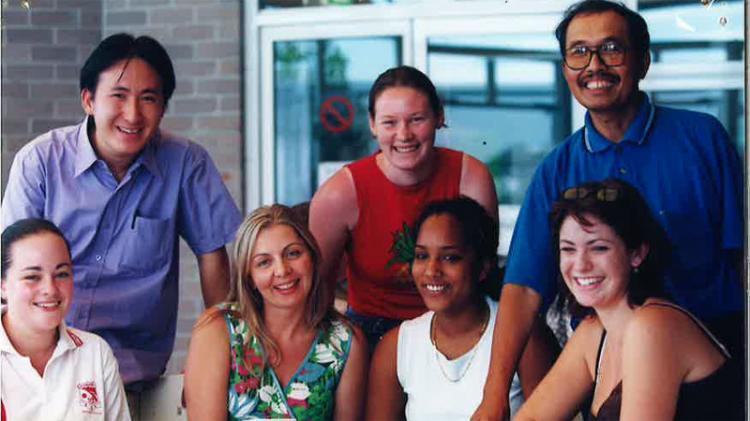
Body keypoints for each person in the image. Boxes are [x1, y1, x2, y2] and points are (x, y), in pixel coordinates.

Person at [474, 1, 744, 418]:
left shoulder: (701, 138)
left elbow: (742, 255)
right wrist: (493, 398)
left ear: (643, 61)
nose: (594, 65)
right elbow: (524, 287)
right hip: (611, 346)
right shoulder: (556, 168)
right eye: (579, 52)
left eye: (612, 49)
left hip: (708, 355)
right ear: (564, 68)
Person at [0, 33, 242, 391]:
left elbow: (213, 257)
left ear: (163, 107)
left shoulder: (186, 163)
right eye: (119, 95)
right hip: (44, 371)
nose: (133, 114)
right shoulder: (40, 162)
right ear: (88, 100)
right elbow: (11, 268)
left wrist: (224, 357)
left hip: (134, 377)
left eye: (149, 98)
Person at [515, 179, 743, 420]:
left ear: (637, 254)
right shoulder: (595, 330)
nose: (580, 264)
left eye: (599, 248)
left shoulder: (653, 325)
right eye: (568, 249)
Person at [309, 65, 499, 349]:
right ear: (372, 125)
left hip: (457, 326)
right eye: (389, 123)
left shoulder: (471, 177)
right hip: (372, 333)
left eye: (416, 119)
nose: (404, 134)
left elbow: (485, 272)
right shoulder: (339, 194)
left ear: (439, 117)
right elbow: (314, 294)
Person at [184, 204, 367, 420]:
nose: (282, 270)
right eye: (264, 262)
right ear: (249, 276)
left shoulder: (345, 342)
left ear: (312, 258)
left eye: (293, 253)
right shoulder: (218, 330)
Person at [367, 197, 528, 420]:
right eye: (422, 256)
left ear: (483, 266)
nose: (431, 270)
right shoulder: (397, 346)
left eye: (450, 258)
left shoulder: (522, 333)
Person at [1, 218, 130, 420]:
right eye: (32, 277)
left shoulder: (95, 353)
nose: (50, 289)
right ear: (3, 286)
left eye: (61, 274)